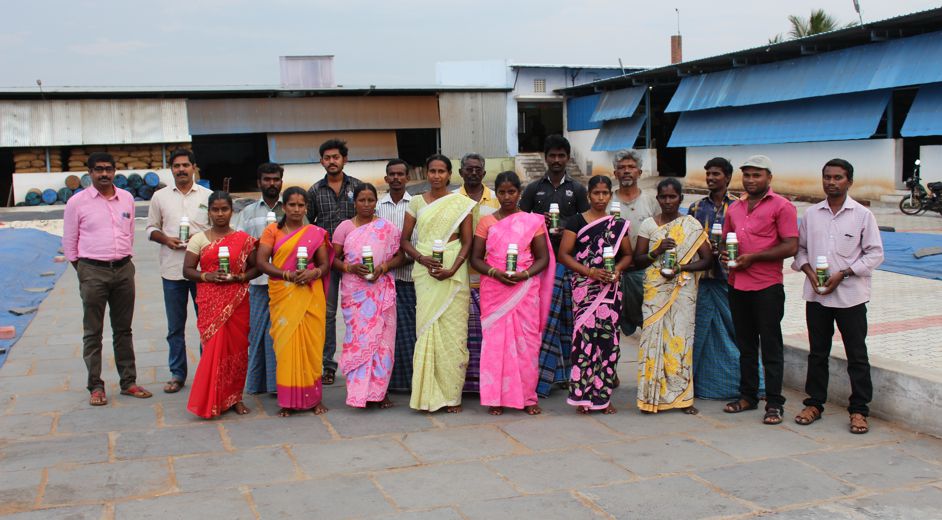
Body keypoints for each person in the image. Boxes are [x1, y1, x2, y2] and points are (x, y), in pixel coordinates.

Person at [792, 159, 884, 435]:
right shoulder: (811, 214)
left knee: (856, 354)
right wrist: (809, 272)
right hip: (817, 295)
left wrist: (844, 274)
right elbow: (800, 250)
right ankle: (814, 404)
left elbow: (875, 253)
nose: (831, 182)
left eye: (838, 177)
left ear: (849, 182)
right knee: (817, 352)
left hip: (851, 296)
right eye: (827, 177)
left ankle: (859, 410)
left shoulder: (862, 215)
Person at [63, 152, 152, 406]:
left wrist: (123, 260)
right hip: (92, 270)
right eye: (99, 169)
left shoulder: (126, 198)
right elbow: (69, 242)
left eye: (108, 169)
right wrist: (84, 271)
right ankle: (95, 386)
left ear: (115, 171)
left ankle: (128, 382)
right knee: (93, 331)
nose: (104, 174)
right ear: (89, 173)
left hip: (123, 270)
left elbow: (129, 233)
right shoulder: (77, 202)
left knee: (123, 329)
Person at [720, 155, 798, 425]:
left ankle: (774, 402)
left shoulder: (782, 206)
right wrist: (724, 255)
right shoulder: (734, 208)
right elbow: (726, 241)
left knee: (771, 345)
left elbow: (790, 246)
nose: (751, 180)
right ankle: (748, 396)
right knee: (745, 344)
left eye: (757, 175)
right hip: (737, 285)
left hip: (767, 286)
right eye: (747, 175)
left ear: (769, 177)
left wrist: (754, 258)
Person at [471, 171, 554, 416]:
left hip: (524, 289)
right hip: (495, 289)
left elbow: (543, 258)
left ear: (519, 193)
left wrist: (525, 275)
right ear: (495, 193)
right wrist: (495, 273)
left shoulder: (532, 221)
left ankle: (528, 397)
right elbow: (476, 258)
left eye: (511, 192)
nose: (507, 197)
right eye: (502, 192)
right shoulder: (486, 222)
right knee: (495, 345)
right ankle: (495, 397)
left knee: (526, 344)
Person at [399, 154, 476, 413]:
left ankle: (452, 396)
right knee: (427, 329)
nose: (436, 176)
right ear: (426, 173)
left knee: (454, 334)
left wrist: (453, 268)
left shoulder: (461, 203)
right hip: (425, 272)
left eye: (441, 171)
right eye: (432, 171)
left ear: (449, 174)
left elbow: (467, 241)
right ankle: (426, 395)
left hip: (454, 270)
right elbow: (404, 240)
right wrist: (422, 259)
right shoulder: (416, 202)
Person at [633, 178, 713, 414]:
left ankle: (682, 399)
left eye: (672, 197)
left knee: (681, 342)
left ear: (680, 198)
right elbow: (638, 260)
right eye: (663, 197)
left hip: (682, 291)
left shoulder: (691, 224)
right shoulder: (649, 225)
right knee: (651, 340)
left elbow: (707, 260)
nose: (667, 201)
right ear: (657, 199)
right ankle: (650, 397)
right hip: (655, 291)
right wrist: (657, 250)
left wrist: (681, 268)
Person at [519, 135, 589, 397]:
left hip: (569, 262)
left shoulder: (578, 189)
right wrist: (539, 220)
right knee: (545, 319)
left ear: (567, 158)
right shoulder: (533, 189)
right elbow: (520, 221)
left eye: (561, 155)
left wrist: (566, 225)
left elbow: (587, 222)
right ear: (545, 157)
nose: (557, 160)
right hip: (541, 264)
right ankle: (545, 374)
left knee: (568, 319)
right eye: (552, 155)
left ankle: (568, 374)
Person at [557, 176, 633, 414]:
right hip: (584, 288)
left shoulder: (617, 224)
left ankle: (602, 398)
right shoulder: (576, 221)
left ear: (610, 195)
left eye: (605, 193)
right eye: (596, 193)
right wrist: (590, 272)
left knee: (608, 343)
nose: (601, 198)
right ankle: (582, 397)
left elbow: (627, 255)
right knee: (584, 341)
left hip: (610, 291)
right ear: (588, 195)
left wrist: (617, 270)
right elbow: (564, 255)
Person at [182, 191, 259, 418]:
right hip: (210, 301)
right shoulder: (199, 239)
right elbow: (187, 270)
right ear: (209, 212)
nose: (220, 214)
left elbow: (257, 267)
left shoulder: (243, 239)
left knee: (237, 350)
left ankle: (235, 397)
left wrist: (240, 277)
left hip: (237, 301)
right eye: (215, 210)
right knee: (214, 350)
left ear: (231, 211)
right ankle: (213, 399)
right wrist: (207, 276)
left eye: (224, 209)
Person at [256, 187, 332, 416]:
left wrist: (313, 273)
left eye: (301, 205)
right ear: (284, 206)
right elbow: (262, 262)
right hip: (284, 295)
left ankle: (314, 399)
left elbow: (324, 264)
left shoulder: (315, 232)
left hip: (309, 295)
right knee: (286, 349)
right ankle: (287, 401)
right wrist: (286, 275)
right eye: (292, 205)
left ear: (306, 207)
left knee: (311, 348)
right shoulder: (272, 231)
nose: (296, 209)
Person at [331, 184, 405, 408]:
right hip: (355, 294)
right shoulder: (344, 227)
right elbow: (332, 259)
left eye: (370, 200)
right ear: (354, 202)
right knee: (358, 340)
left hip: (380, 290)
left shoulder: (387, 227)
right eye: (361, 200)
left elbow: (401, 256)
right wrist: (350, 268)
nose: (366, 204)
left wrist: (383, 268)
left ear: (376, 202)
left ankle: (379, 392)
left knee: (383, 341)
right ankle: (358, 392)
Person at [145, 149, 211, 394]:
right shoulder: (160, 197)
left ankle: (206, 372)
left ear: (194, 167)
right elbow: (150, 228)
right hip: (172, 270)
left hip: (202, 271)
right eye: (176, 166)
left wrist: (200, 239)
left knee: (206, 324)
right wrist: (166, 239)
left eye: (185, 165)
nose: (181, 169)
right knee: (175, 327)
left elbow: (219, 228)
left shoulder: (207, 196)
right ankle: (177, 373)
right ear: (171, 169)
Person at [687, 157, 747, 400]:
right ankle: (702, 384)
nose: (711, 178)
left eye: (716, 174)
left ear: (728, 177)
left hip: (728, 279)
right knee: (701, 333)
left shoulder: (739, 207)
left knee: (734, 330)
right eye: (708, 174)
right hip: (702, 279)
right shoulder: (695, 208)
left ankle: (743, 383)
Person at [306, 139, 363, 386]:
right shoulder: (314, 191)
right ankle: (328, 365)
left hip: (356, 262)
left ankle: (359, 361)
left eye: (336, 157)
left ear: (344, 159)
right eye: (327, 158)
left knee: (358, 312)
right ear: (321, 161)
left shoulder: (358, 187)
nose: (332, 161)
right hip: (326, 262)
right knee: (327, 314)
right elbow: (307, 227)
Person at [235, 163, 285, 395]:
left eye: (276, 179)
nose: (271, 183)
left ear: (281, 182)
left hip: (285, 282)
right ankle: (257, 383)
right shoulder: (248, 212)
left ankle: (278, 384)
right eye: (267, 179)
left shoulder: (290, 208)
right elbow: (240, 245)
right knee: (257, 332)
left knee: (279, 333)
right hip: (257, 282)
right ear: (259, 182)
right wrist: (259, 262)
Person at [453, 153, 500, 393]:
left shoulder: (497, 200)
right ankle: (465, 384)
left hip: (489, 277)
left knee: (488, 333)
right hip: (457, 275)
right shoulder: (451, 200)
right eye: (468, 169)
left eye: (477, 169)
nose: (473, 173)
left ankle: (487, 382)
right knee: (461, 332)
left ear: (484, 173)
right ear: (460, 173)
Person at [375, 159, 417, 392]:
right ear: (386, 178)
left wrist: (399, 260)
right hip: (383, 280)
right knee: (387, 332)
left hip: (409, 276)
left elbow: (417, 242)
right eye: (392, 174)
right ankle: (389, 381)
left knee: (409, 331)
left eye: (400, 174)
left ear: (407, 178)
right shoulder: (377, 207)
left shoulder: (416, 205)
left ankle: (410, 381)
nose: (396, 178)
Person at [612, 149, 660, 337]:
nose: (626, 171)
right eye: (621, 167)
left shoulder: (651, 200)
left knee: (649, 327)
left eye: (631, 167)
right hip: (614, 272)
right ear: (615, 173)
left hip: (644, 272)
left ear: (639, 172)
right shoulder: (608, 200)